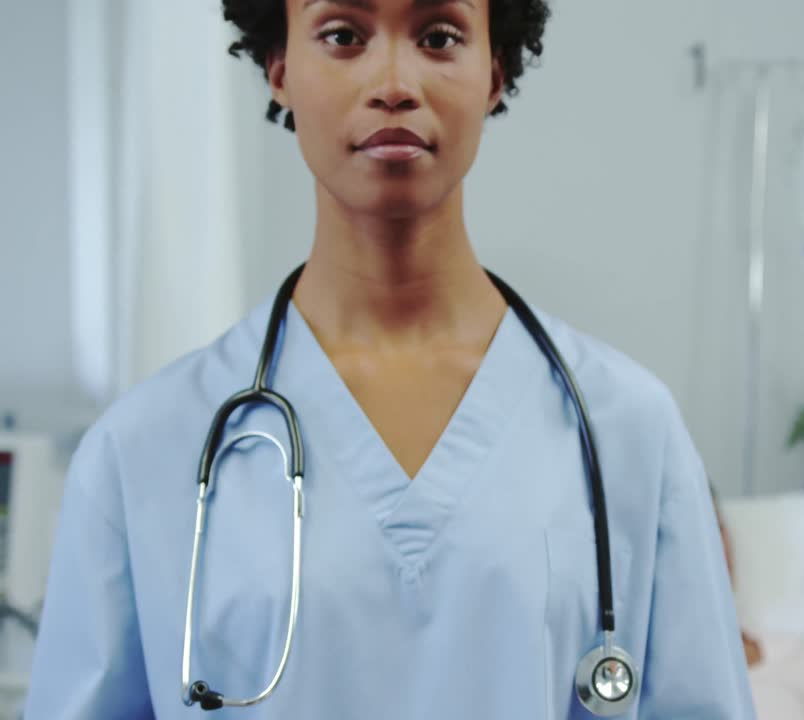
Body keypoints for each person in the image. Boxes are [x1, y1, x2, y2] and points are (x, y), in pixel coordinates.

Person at [24, 1, 756, 717]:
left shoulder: (627, 427)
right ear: (280, 67)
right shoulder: (143, 447)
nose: (394, 81)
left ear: (493, 72)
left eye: (439, 35)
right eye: (343, 34)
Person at [711, 487, 804, 720]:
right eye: (692, 534)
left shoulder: (800, 659)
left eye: (716, 527)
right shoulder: (647, 683)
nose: (709, 547)